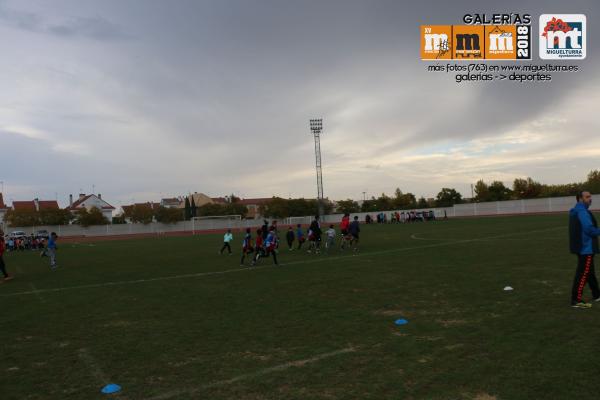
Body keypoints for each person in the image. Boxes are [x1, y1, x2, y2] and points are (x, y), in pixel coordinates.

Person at [569, 191, 600, 308]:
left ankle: (597, 294)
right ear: (580, 199)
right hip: (585, 248)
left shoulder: (575, 210)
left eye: (590, 196)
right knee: (583, 274)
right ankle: (576, 300)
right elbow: (589, 229)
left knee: (590, 272)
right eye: (587, 197)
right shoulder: (582, 211)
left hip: (580, 247)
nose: (590, 199)